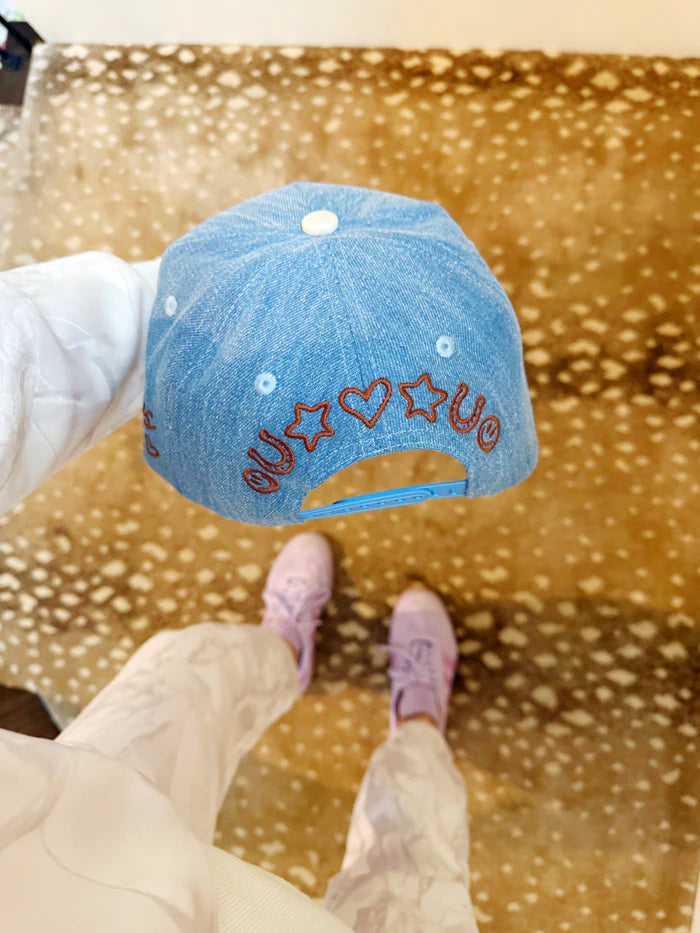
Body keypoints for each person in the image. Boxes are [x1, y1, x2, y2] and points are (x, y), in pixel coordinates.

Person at [0, 250, 480, 932]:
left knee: (179, 689)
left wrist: (198, 309)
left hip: (51, 825)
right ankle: (419, 726)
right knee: (414, 880)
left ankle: (280, 652)